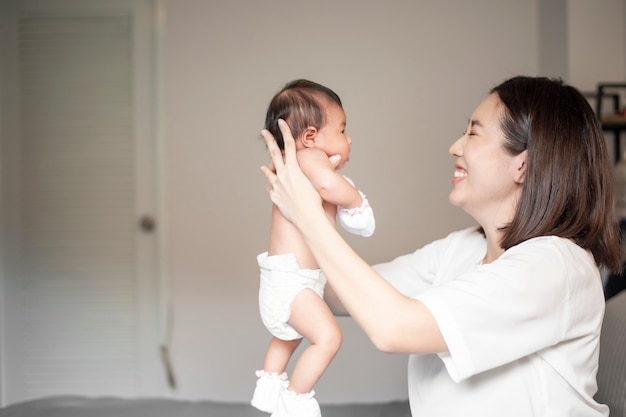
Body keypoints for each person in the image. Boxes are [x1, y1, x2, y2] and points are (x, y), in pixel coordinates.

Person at [260, 76, 623, 417]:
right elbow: (340, 292)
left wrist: (308, 216)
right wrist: (292, 237)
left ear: (523, 165)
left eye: (473, 133)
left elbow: (392, 327)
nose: (455, 146)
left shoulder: (554, 266)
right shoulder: (462, 249)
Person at [252, 79, 375, 417]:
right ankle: (295, 399)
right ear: (309, 137)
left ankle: (271, 383)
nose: (349, 139)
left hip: (288, 281)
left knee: (289, 336)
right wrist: (356, 200)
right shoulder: (309, 158)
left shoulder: (296, 165)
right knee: (328, 338)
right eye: (342, 129)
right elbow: (326, 184)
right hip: (293, 282)